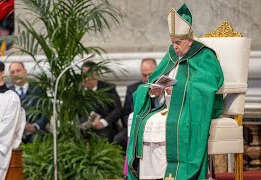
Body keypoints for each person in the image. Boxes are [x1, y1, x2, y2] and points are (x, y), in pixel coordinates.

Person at [127, 4, 224, 180]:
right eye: (172, 42)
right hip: (164, 107)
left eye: (178, 42)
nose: (174, 47)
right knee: (140, 119)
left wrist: (177, 91)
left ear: (190, 40)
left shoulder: (204, 56)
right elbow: (153, 80)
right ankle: (150, 176)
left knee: (169, 124)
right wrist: (155, 92)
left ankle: (171, 176)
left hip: (189, 109)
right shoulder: (172, 54)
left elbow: (207, 87)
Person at [114, 58, 157, 151]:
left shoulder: (162, 88)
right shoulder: (132, 88)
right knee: (118, 139)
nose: (147, 78)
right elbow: (124, 114)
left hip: (155, 126)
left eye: (150, 74)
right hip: (134, 126)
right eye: (144, 75)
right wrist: (132, 123)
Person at [81, 61, 122, 142]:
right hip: (82, 128)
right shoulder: (76, 91)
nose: (86, 79)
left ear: (96, 75)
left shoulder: (109, 88)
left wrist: (103, 122)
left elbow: (117, 109)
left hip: (104, 128)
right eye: (83, 75)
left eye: (88, 76)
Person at [9, 61, 47, 143]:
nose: (16, 74)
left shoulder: (38, 90)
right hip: (14, 135)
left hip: (36, 133)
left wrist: (35, 126)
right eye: (12, 72)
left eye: (18, 70)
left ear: (25, 71)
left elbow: (46, 111)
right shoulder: (7, 94)